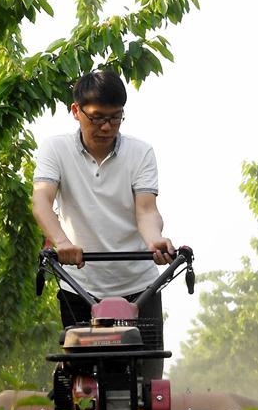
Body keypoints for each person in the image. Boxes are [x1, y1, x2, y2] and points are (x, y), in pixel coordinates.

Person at [32, 69, 174, 376]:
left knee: (147, 385)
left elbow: (146, 210)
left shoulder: (140, 152)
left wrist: (154, 241)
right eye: (97, 117)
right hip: (80, 287)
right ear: (76, 111)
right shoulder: (55, 149)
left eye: (115, 117)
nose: (107, 126)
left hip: (140, 288)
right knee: (82, 385)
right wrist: (63, 243)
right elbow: (42, 200)